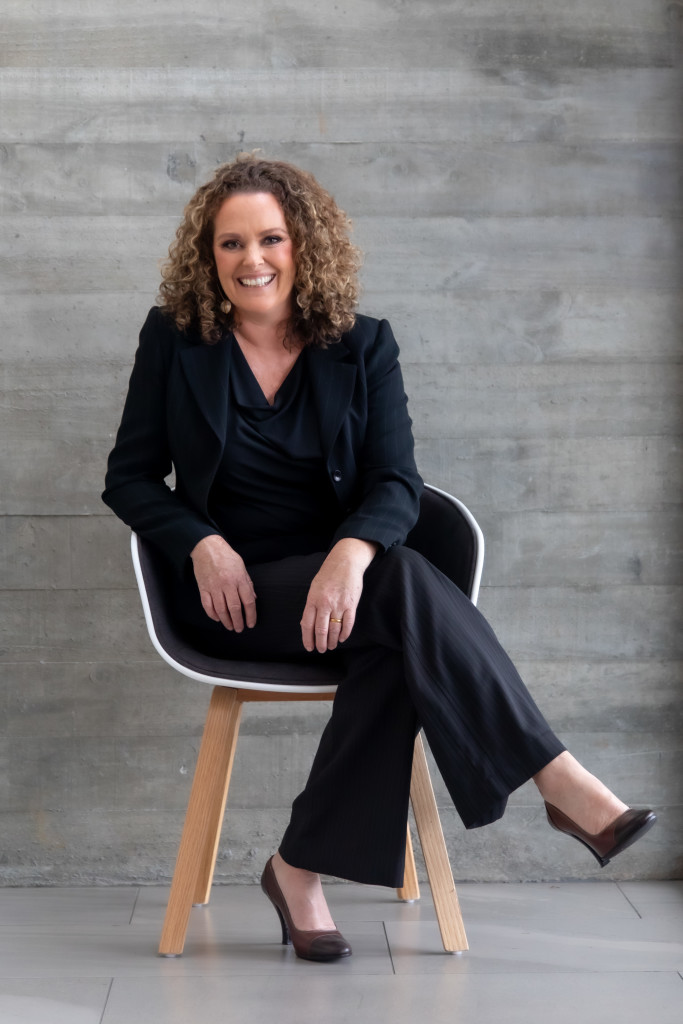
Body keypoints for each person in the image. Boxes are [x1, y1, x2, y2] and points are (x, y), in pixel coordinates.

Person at [103, 155, 656, 963]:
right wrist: (202, 543)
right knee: (402, 589)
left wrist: (349, 554)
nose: (252, 260)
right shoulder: (175, 340)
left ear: (304, 244)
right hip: (235, 599)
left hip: (348, 592)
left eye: (270, 238)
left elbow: (396, 480)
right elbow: (128, 476)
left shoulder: (362, 345)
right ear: (206, 254)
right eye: (230, 243)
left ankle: (297, 871)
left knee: (396, 644)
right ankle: (557, 778)